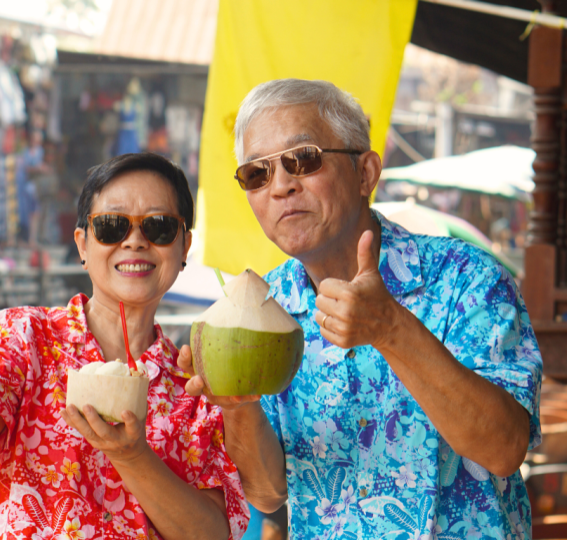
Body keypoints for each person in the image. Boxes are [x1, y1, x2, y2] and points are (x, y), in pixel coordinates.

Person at [180, 79, 542, 538]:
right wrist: (237, 406)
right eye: (257, 173)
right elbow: (269, 494)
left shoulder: (467, 278)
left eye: (303, 159)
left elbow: (503, 448)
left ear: (366, 173)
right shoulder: (262, 310)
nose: (281, 186)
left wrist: (392, 329)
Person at [0, 153, 251, 540]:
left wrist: (133, 457)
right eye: (112, 226)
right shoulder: (25, 335)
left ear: (184, 247)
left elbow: (210, 534)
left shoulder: (195, 386)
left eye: (158, 227)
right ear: (82, 244)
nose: (134, 241)